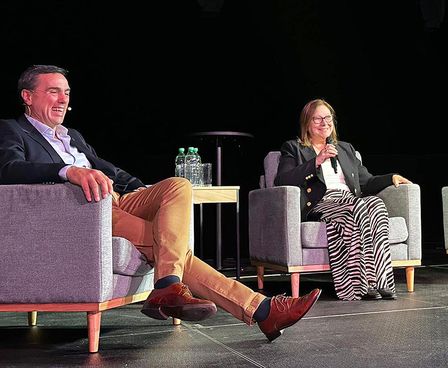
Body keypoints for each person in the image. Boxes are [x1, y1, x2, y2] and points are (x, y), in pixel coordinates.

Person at [0, 64, 321, 342]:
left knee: (178, 186)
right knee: (169, 244)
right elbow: (8, 170)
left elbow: (107, 167)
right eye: (54, 91)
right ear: (28, 96)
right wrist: (67, 170)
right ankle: (260, 308)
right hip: (85, 210)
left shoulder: (73, 135)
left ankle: (169, 285)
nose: (63, 99)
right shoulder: (12, 130)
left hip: (118, 199)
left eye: (66, 92)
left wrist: (143, 189)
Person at [274, 98, 412, 301]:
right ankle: (359, 285)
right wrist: (317, 161)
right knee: (356, 206)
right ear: (307, 124)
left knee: (376, 204)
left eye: (328, 118)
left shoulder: (345, 149)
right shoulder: (293, 148)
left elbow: (366, 181)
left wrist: (390, 177)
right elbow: (282, 180)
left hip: (349, 200)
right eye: (317, 119)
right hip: (322, 203)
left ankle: (381, 281)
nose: (324, 123)